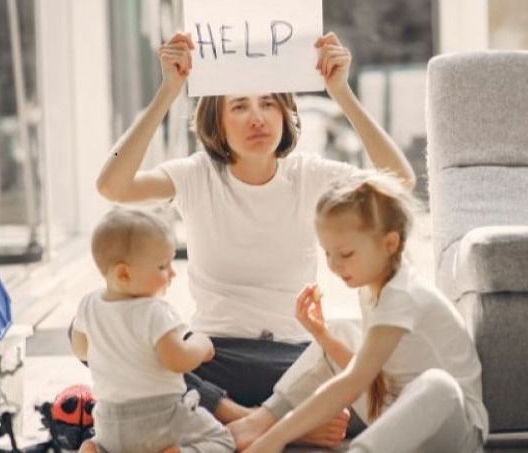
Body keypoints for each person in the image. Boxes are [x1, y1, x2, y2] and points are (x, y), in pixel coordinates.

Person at [95, 27, 415, 447]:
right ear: (218, 122)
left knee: (370, 369)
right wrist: (168, 92)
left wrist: (341, 92)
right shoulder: (197, 175)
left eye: (268, 103)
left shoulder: (309, 174)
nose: (257, 118)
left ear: (286, 114)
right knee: (124, 337)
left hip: (294, 361)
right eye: (239, 107)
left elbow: (400, 182)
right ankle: (268, 423)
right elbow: (113, 186)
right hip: (214, 360)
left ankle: (246, 426)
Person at [236, 172, 488, 453]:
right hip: (393, 409)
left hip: (453, 427)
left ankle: (277, 437)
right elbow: (371, 375)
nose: (333, 265)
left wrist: (275, 441)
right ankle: (259, 422)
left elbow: (354, 381)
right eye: (327, 253)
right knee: (340, 331)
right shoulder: (371, 288)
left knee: (439, 386)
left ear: (389, 244)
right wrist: (322, 336)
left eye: (345, 254)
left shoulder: (401, 294)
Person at [70, 209, 235, 453]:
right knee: (223, 441)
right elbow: (178, 360)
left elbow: (82, 351)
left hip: (108, 421)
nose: (172, 272)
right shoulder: (156, 312)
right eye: (162, 266)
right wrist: (201, 345)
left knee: (112, 444)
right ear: (123, 273)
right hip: (161, 419)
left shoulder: (88, 305)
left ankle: (96, 449)